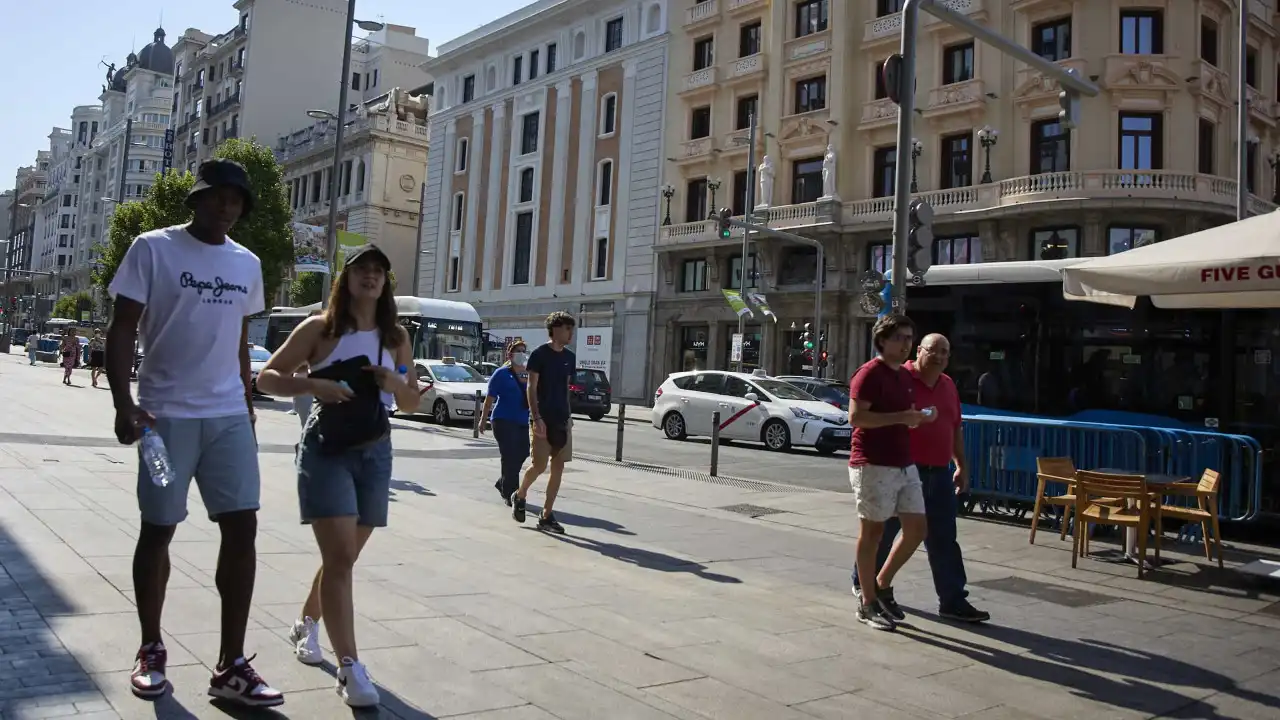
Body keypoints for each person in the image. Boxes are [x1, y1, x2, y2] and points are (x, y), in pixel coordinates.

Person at [105, 158, 283, 706]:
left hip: (228, 414)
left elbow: (238, 336)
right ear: (198, 199)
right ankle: (151, 648)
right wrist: (123, 403)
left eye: (237, 200)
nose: (228, 207)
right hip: (165, 417)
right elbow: (123, 328)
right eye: (219, 197)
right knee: (159, 528)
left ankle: (232, 666)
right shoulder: (152, 248)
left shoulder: (247, 263)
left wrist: (247, 399)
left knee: (242, 528)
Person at [256, 243, 420, 709]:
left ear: (386, 281)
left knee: (342, 557)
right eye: (361, 270)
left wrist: (396, 383)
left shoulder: (397, 338)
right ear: (346, 279)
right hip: (326, 449)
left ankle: (306, 623)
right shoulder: (319, 330)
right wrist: (312, 384)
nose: (370, 277)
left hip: (375, 452)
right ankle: (350, 667)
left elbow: (410, 400)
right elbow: (266, 378)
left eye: (378, 271)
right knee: (342, 557)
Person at [853, 333, 989, 624]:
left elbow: (954, 429)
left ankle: (952, 601)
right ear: (918, 351)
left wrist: (961, 465)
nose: (939, 356)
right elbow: (866, 417)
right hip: (901, 467)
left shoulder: (949, 385)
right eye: (933, 350)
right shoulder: (899, 377)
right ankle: (864, 587)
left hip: (939, 472)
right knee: (883, 531)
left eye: (945, 352)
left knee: (943, 538)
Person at [847, 313, 934, 631]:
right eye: (899, 338)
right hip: (872, 463)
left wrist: (916, 418)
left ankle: (881, 584)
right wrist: (902, 416)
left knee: (917, 529)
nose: (906, 344)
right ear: (882, 340)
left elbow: (898, 416)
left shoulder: (904, 376)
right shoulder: (869, 373)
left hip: (903, 462)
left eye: (910, 338)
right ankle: (866, 602)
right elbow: (856, 418)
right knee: (872, 533)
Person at [511, 312, 576, 534]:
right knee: (539, 466)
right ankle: (520, 495)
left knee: (558, 467)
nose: (570, 333)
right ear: (555, 329)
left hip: (561, 420)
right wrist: (536, 416)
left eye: (571, 329)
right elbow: (531, 387)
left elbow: (565, 388)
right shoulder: (539, 355)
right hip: (542, 419)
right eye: (567, 329)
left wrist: (569, 417)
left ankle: (546, 515)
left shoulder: (570, 357)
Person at [480, 340, 530, 506]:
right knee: (509, 456)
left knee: (523, 452)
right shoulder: (501, 373)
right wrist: (482, 420)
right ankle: (511, 493)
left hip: (523, 420)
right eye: (518, 351)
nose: (522, 353)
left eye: (524, 350)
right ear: (510, 354)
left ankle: (503, 482)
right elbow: (489, 399)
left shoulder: (528, 373)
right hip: (503, 420)